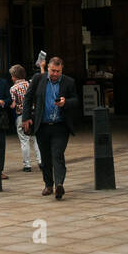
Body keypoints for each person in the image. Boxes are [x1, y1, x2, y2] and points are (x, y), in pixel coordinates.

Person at [22, 56, 78, 199]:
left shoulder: (69, 82)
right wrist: (26, 118)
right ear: (48, 68)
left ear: (62, 70)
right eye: (53, 71)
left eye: (58, 71)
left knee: (57, 155)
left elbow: (76, 101)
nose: (55, 74)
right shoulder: (38, 79)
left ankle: (59, 185)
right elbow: (28, 98)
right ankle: (48, 184)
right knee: (45, 158)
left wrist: (66, 102)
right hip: (42, 125)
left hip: (60, 126)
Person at [8, 65, 41, 173]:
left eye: (12, 76)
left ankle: (27, 165)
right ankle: (40, 161)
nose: (11, 78)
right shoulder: (30, 84)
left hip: (21, 116)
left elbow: (13, 104)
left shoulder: (13, 89)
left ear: (14, 76)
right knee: (36, 139)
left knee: (24, 140)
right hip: (33, 114)